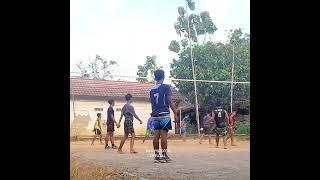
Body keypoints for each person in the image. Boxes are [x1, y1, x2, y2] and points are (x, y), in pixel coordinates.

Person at [150, 69, 177, 163]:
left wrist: (153, 113)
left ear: (155, 77)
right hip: (164, 113)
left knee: (156, 135)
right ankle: (165, 155)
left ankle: (157, 156)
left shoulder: (152, 89)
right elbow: (169, 100)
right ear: (163, 76)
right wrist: (175, 112)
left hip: (155, 114)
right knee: (164, 135)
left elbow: (152, 103)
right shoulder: (166, 87)